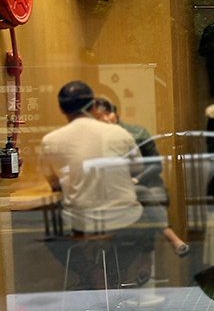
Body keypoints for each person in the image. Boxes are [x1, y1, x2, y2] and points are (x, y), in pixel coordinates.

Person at [40, 80, 158, 291]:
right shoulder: (119, 134)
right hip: (123, 220)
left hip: (81, 222)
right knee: (142, 225)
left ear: (61, 109)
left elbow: (54, 183)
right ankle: (110, 275)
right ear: (94, 105)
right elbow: (137, 169)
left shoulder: (50, 141)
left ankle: (90, 272)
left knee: (51, 231)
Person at [91, 98, 189, 258]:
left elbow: (155, 165)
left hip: (145, 182)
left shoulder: (137, 133)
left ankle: (144, 257)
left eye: (107, 114)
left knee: (153, 197)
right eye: (98, 116)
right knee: (142, 198)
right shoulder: (95, 139)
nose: (104, 119)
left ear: (116, 114)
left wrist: (136, 179)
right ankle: (159, 247)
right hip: (118, 188)